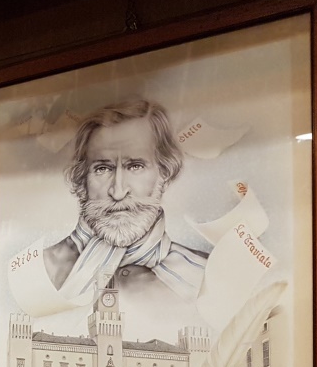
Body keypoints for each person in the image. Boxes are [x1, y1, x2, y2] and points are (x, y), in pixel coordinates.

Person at [42, 99, 207, 305]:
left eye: (135, 166)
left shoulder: (205, 275)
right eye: (102, 169)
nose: (118, 192)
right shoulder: (40, 269)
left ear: (164, 173)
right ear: (82, 179)